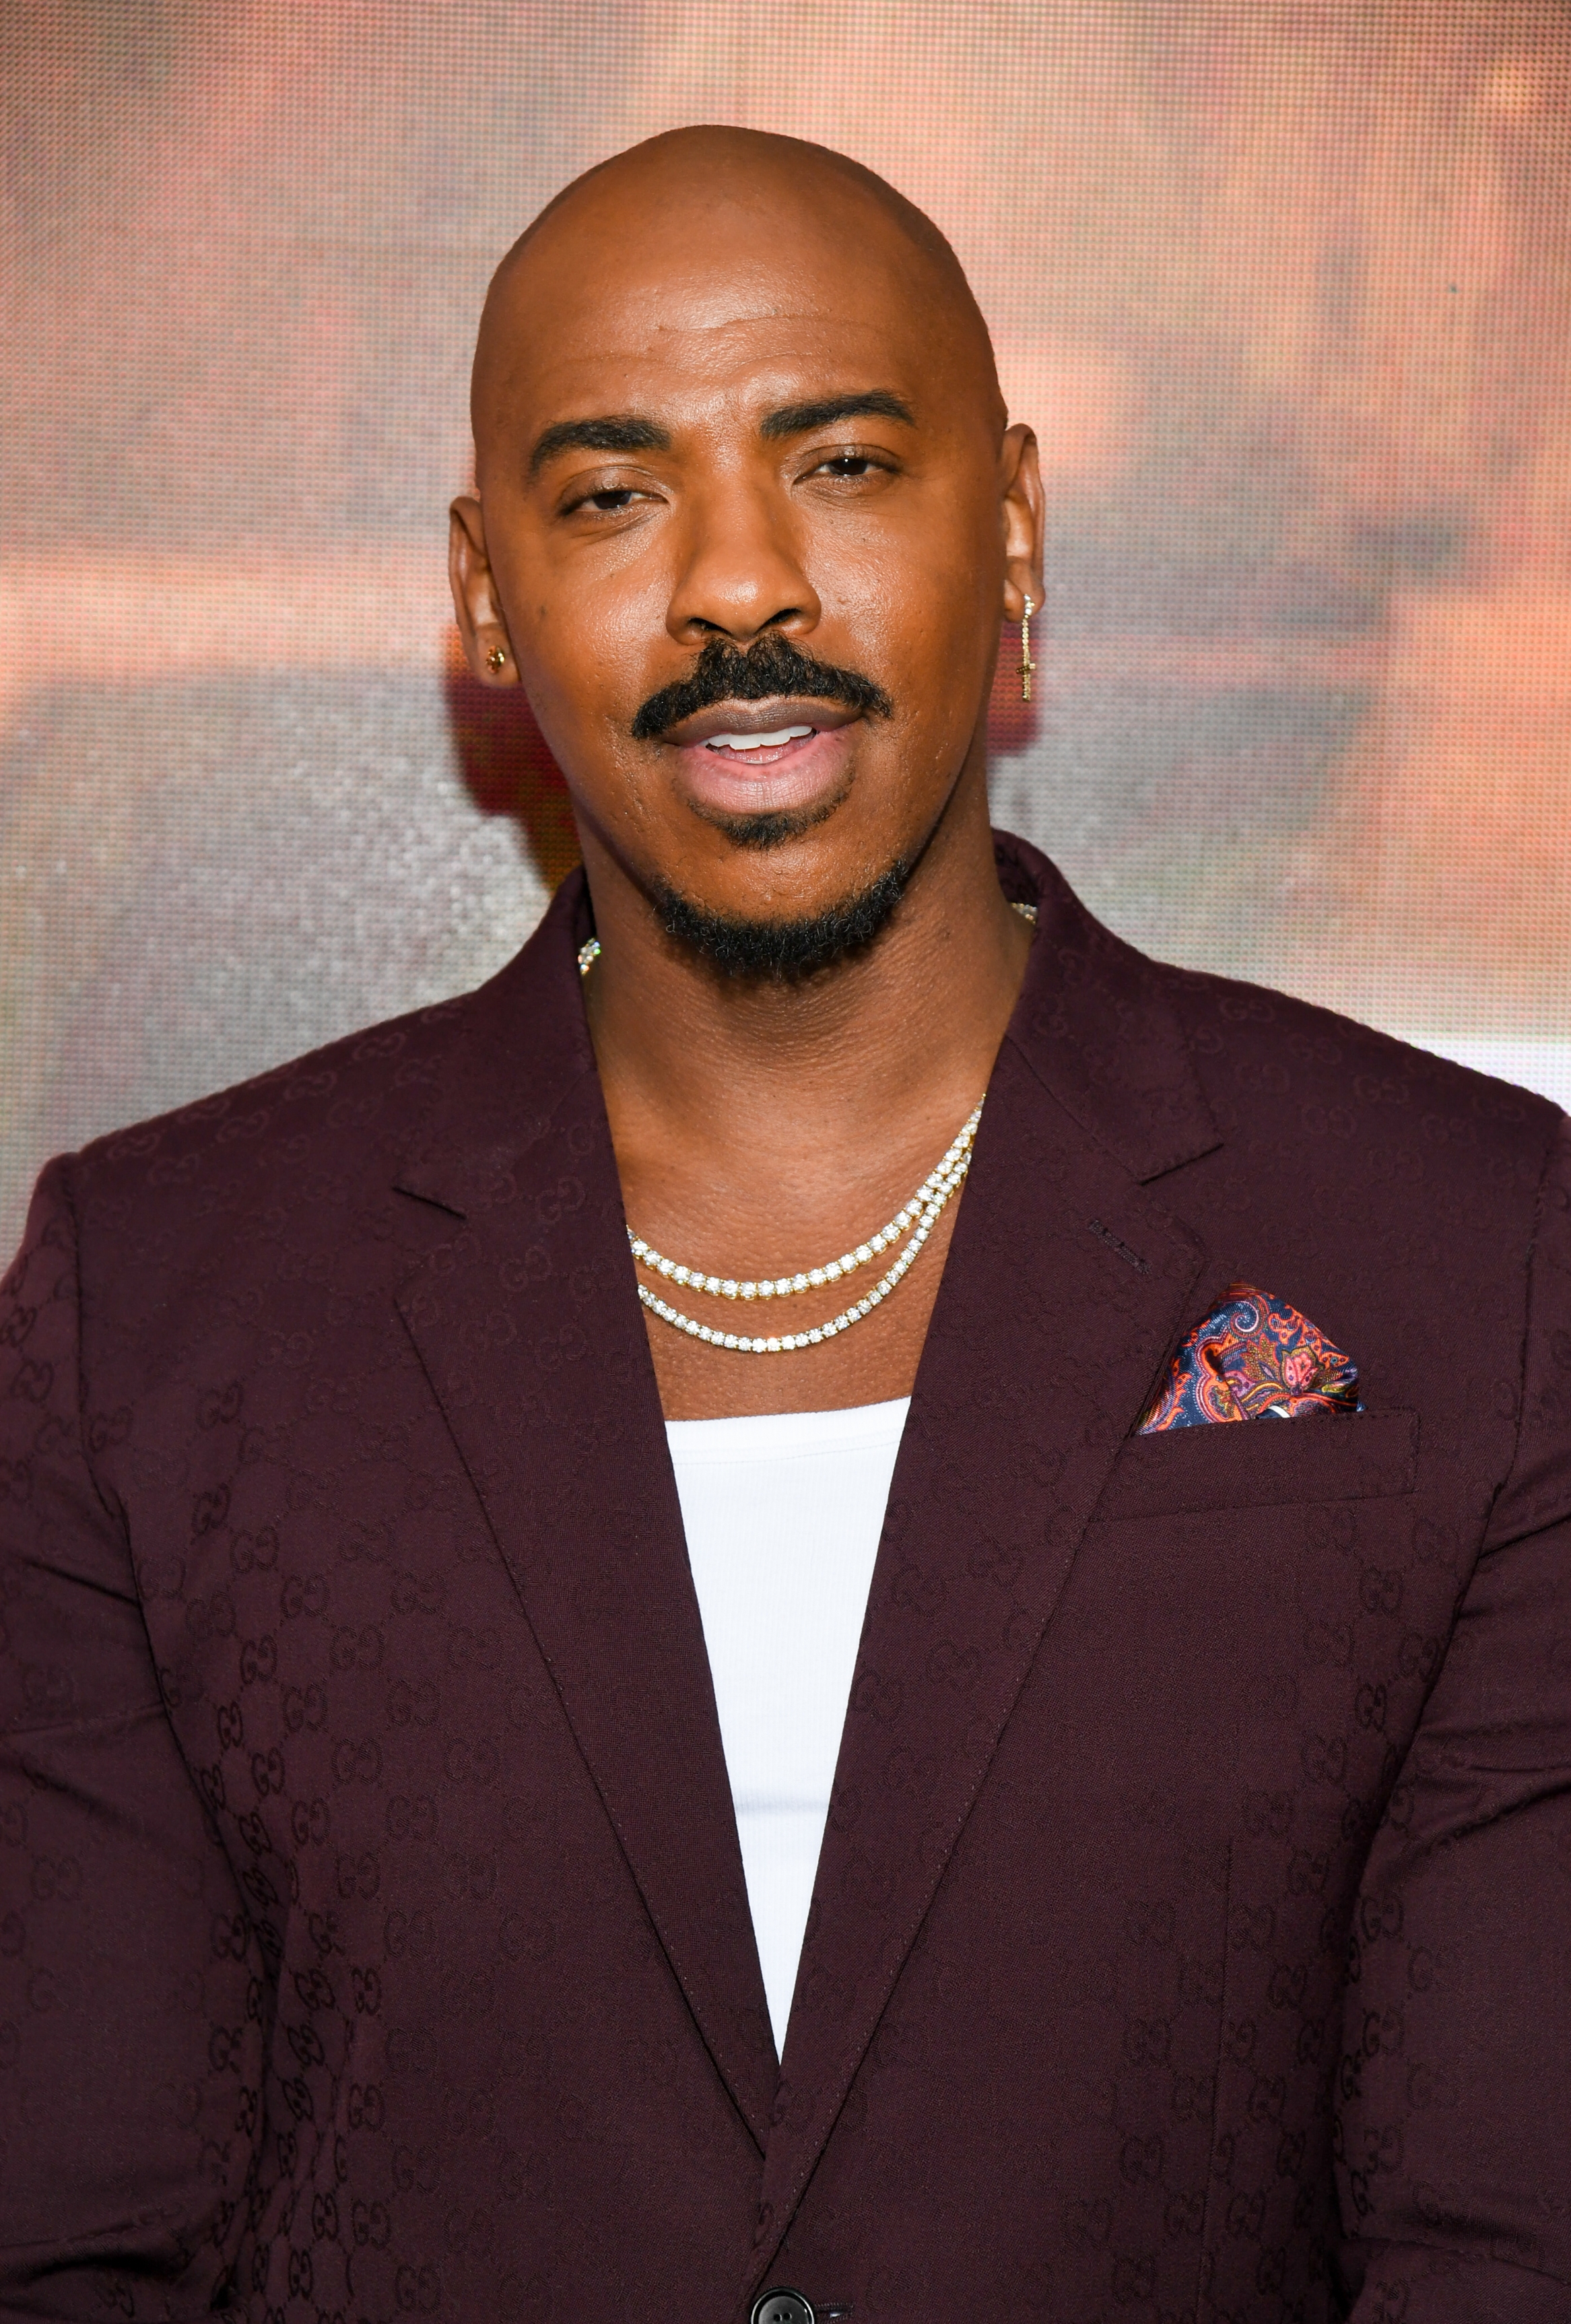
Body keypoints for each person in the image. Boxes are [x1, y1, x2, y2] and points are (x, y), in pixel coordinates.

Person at [1, 127, 1567, 2324]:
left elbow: (1506, 2239)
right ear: (483, 592)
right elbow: (71, 2233)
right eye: (610, 493)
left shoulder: (1471, 1249)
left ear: (1011, 525)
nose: (739, 585)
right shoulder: (156, 1304)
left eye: (838, 462)